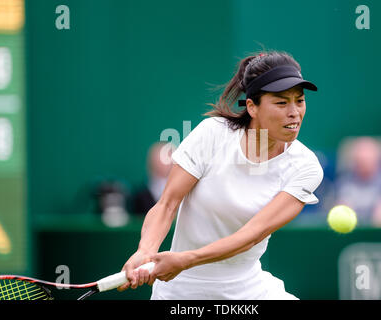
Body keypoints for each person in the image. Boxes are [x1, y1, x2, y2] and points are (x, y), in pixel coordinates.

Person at [118, 51, 324, 299]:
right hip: (182, 294)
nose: (294, 112)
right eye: (281, 103)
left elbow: (250, 236)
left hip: (251, 292)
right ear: (252, 107)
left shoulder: (306, 167)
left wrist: (184, 260)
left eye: (299, 101)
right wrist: (145, 251)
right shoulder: (212, 134)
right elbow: (167, 204)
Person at [335, 137, 381, 227]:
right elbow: (343, 210)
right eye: (360, 162)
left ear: (379, 161)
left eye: (367, 161)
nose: (363, 166)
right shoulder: (344, 181)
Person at [133, 142, 174, 214]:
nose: (164, 163)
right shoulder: (141, 195)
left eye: (167, 157)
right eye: (160, 158)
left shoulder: (185, 192)